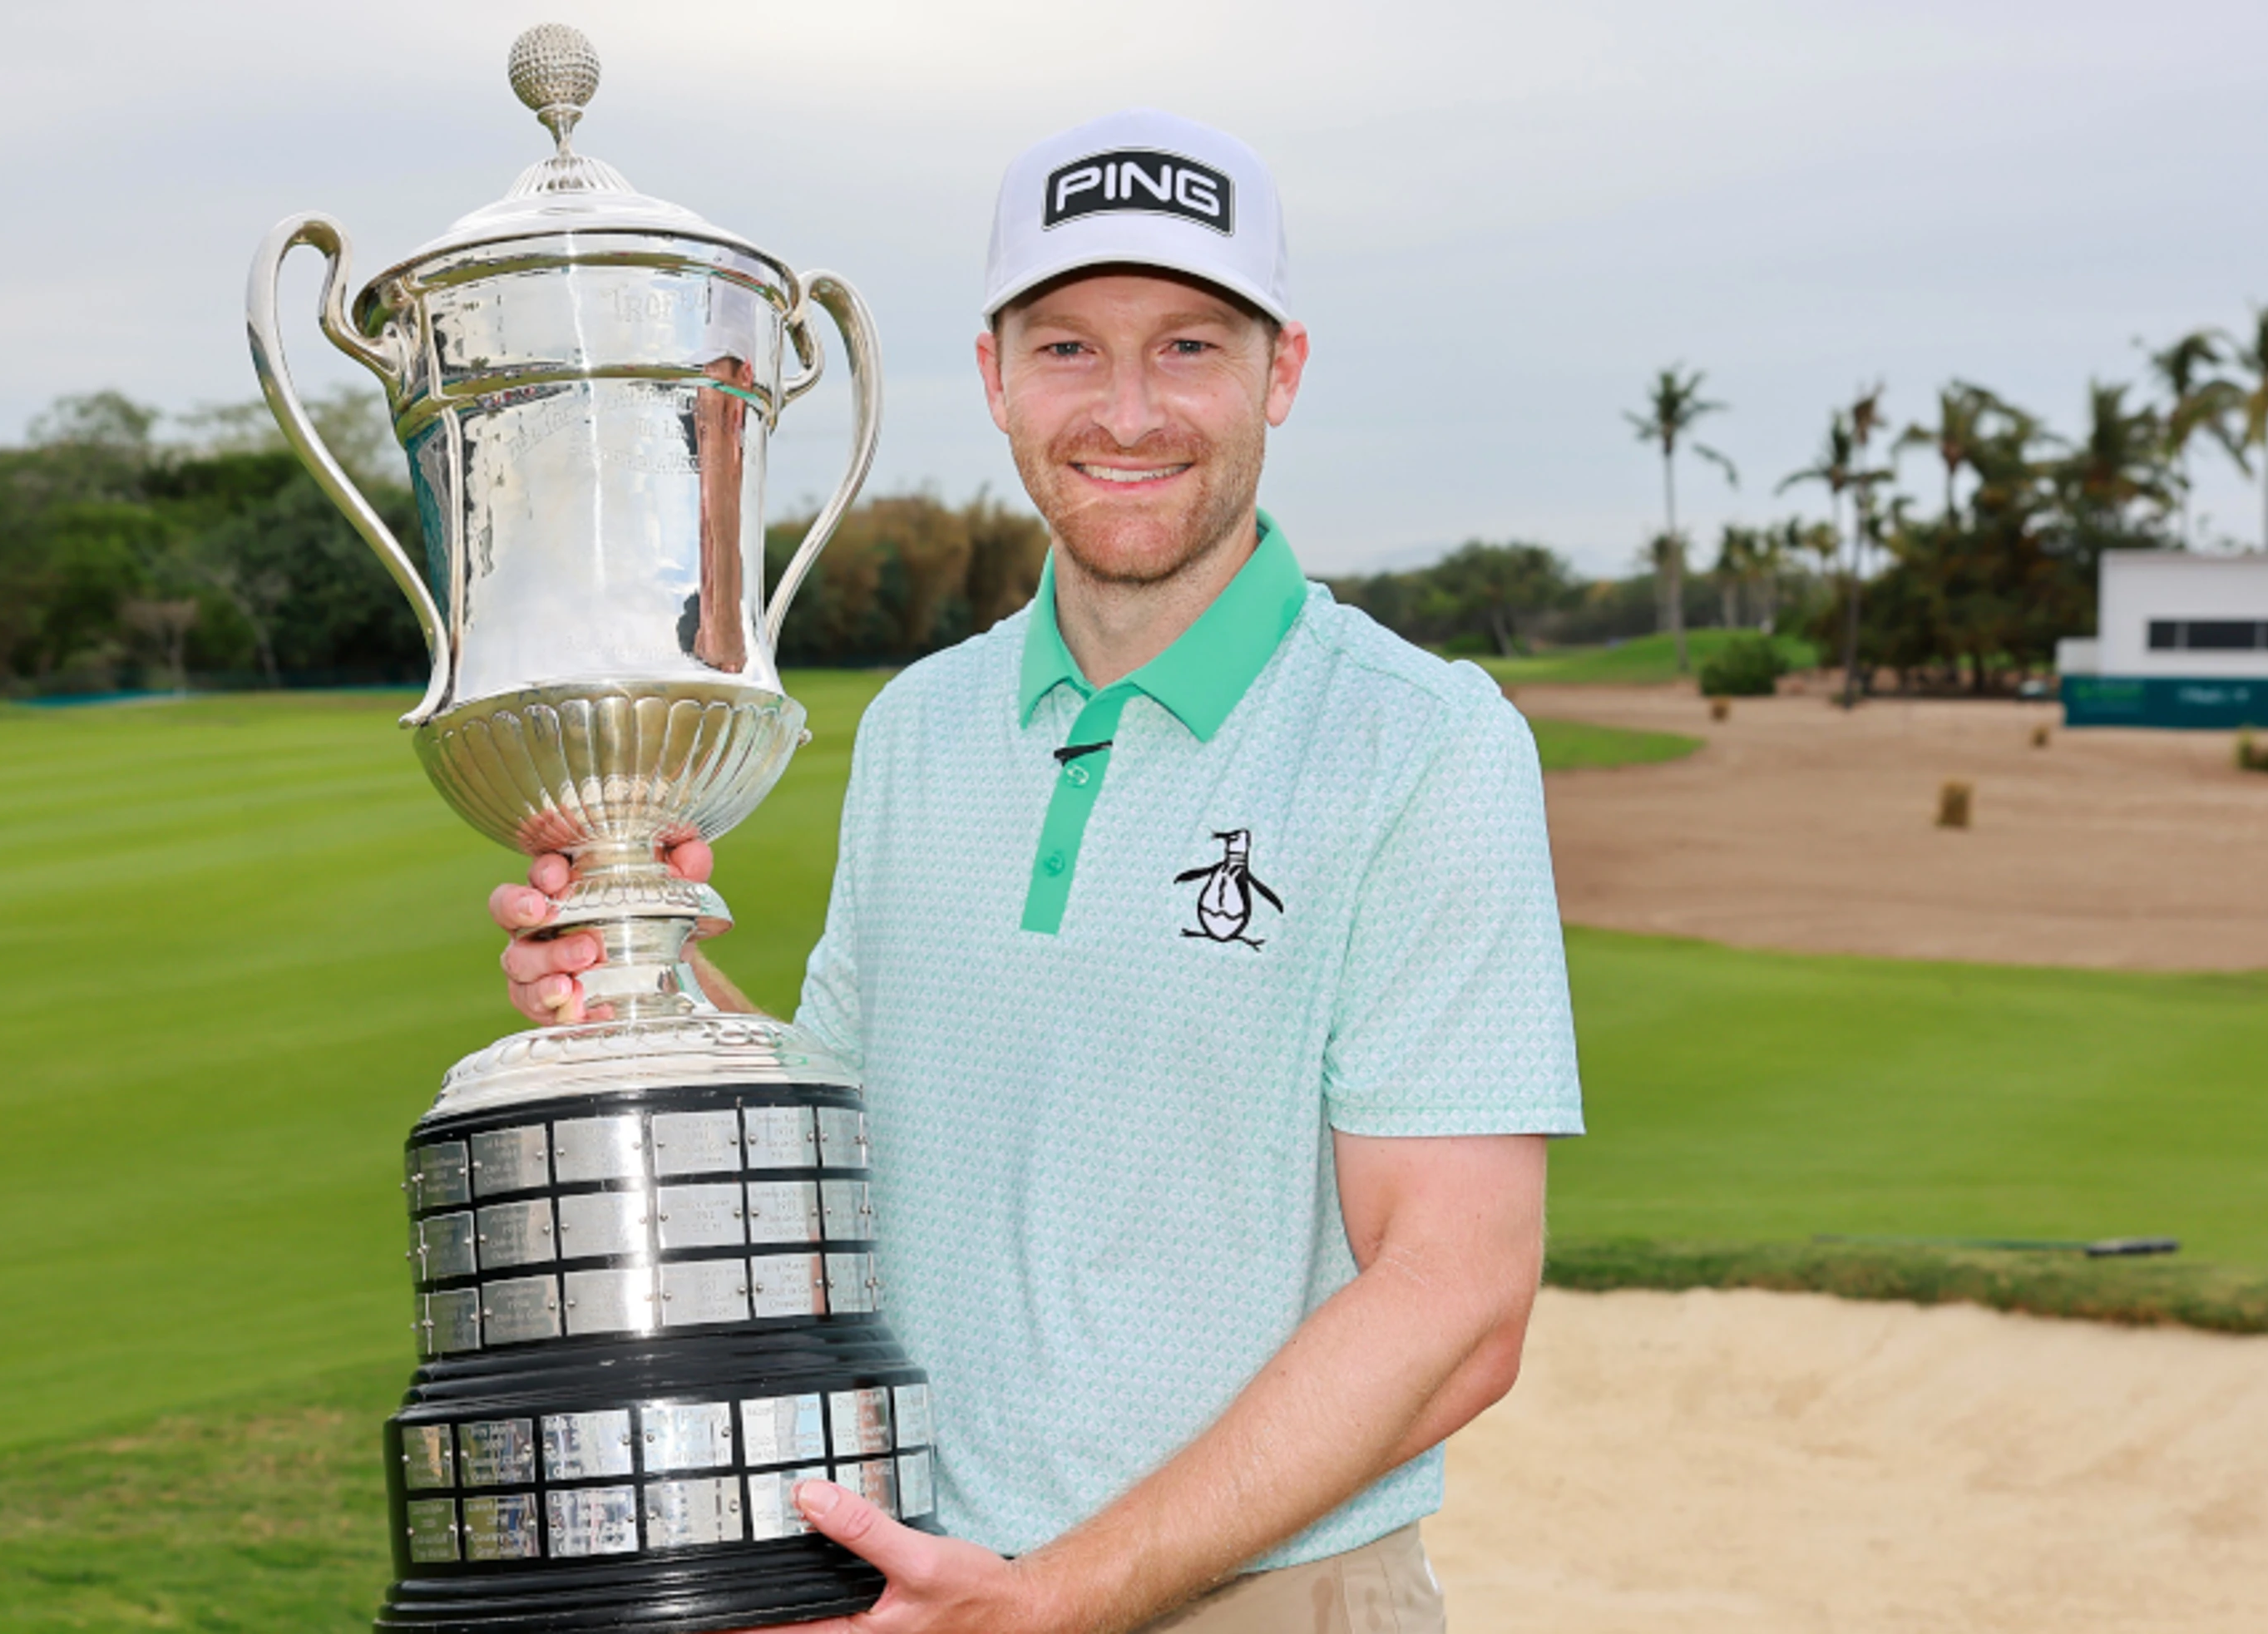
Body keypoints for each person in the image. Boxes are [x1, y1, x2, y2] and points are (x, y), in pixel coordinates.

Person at [490, 108, 1581, 1634]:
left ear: (1285, 370)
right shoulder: (923, 725)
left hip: (1268, 1599)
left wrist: (1050, 1600)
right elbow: (854, 1149)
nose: (1127, 411)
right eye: (1068, 347)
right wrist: (645, 973)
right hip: (924, 1581)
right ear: (996, 377)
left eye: (1191, 346)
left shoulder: (1422, 742)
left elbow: (1457, 1306)